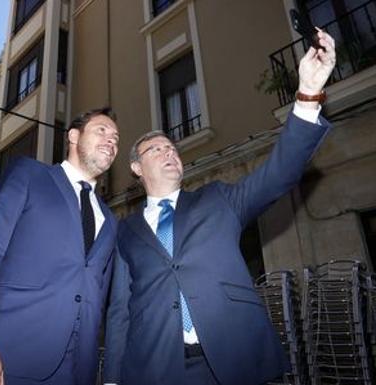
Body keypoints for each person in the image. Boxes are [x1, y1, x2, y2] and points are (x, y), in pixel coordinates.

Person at [104, 31, 337, 385]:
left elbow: (278, 175)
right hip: (154, 368)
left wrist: (307, 96)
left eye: (173, 149)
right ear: (136, 168)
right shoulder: (126, 231)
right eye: (157, 149)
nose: (169, 152)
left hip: (232, 361)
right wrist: (111, 379)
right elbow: (120, 311)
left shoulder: (218, 199)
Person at [0, 107, 120, 385]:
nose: (111, 141)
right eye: (101, 131)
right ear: (73, 136)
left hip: (80, 370)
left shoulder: (110, 219)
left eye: (116, 138)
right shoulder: (28, 175)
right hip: (10, 359)